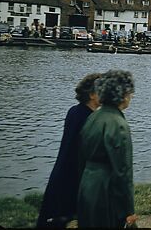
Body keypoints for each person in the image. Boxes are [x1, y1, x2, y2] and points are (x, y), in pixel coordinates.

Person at [36, 73, 102, 228]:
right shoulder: (91, 118)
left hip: (61, 170)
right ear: (92, 94)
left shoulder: (74, 111)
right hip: (75, 173)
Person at [77, 70, 137, 228]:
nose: (131, 97)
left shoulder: (93, 117)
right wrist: (128, 209)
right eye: (130, 93)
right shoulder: (118, 124)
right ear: (122, 95)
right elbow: (123, 171)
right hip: (106, 190)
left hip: (86, 185)